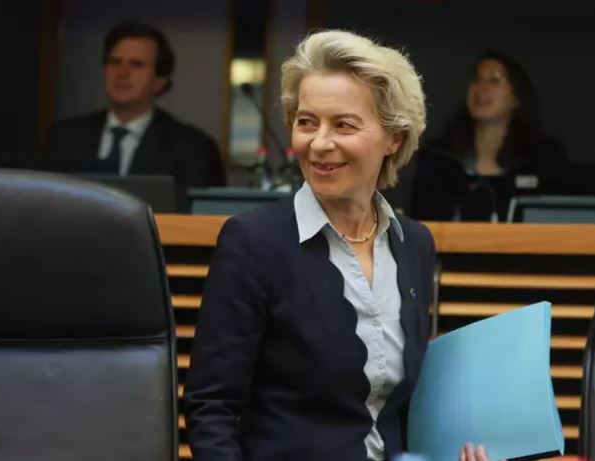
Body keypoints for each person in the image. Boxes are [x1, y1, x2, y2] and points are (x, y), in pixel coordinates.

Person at [183, 30, 491, 461]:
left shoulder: (414, 244)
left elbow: (401, 410)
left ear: (394, 137)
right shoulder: (252, 243)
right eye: (306, 122)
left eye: (343, 125)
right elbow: (211, 407)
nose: (319, 143)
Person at [43, 21, 225, 211]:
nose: (122, 72)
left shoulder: (192, 148)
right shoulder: (64, 137)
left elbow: (199, 216)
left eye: (136, 64)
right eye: (115, 62)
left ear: (160, 80)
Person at [410, 50, 570, 221]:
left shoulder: (543, 157)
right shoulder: (439, 157)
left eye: (494, 80)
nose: (482, 88)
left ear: (517, 98)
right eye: (476, 80)